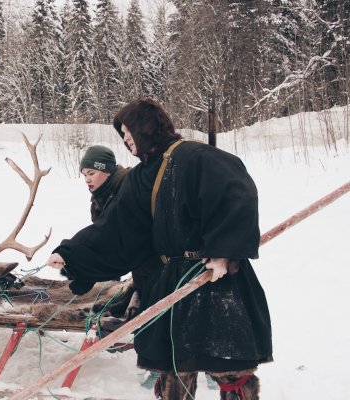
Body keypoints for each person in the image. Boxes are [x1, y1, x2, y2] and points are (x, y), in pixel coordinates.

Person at [47, 98, 272, 399]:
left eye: (128, 132)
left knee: (229, 368)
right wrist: (72, 255)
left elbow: (237, 192)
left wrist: (225, 252)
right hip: (173, 280)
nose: (125, 140)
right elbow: (117, 229)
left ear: (145, 128)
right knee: (175, 368)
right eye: (123, 134)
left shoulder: (195, 156)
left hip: (215, 277)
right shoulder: (142, 176)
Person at [77, 145, 163, 320]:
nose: (87, 179)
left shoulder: (130, 188)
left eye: (91, 173)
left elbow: (138, 242)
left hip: (160, 267)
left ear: (107, 171)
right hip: (140, 272)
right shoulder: (100, 198)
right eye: (84, 174)